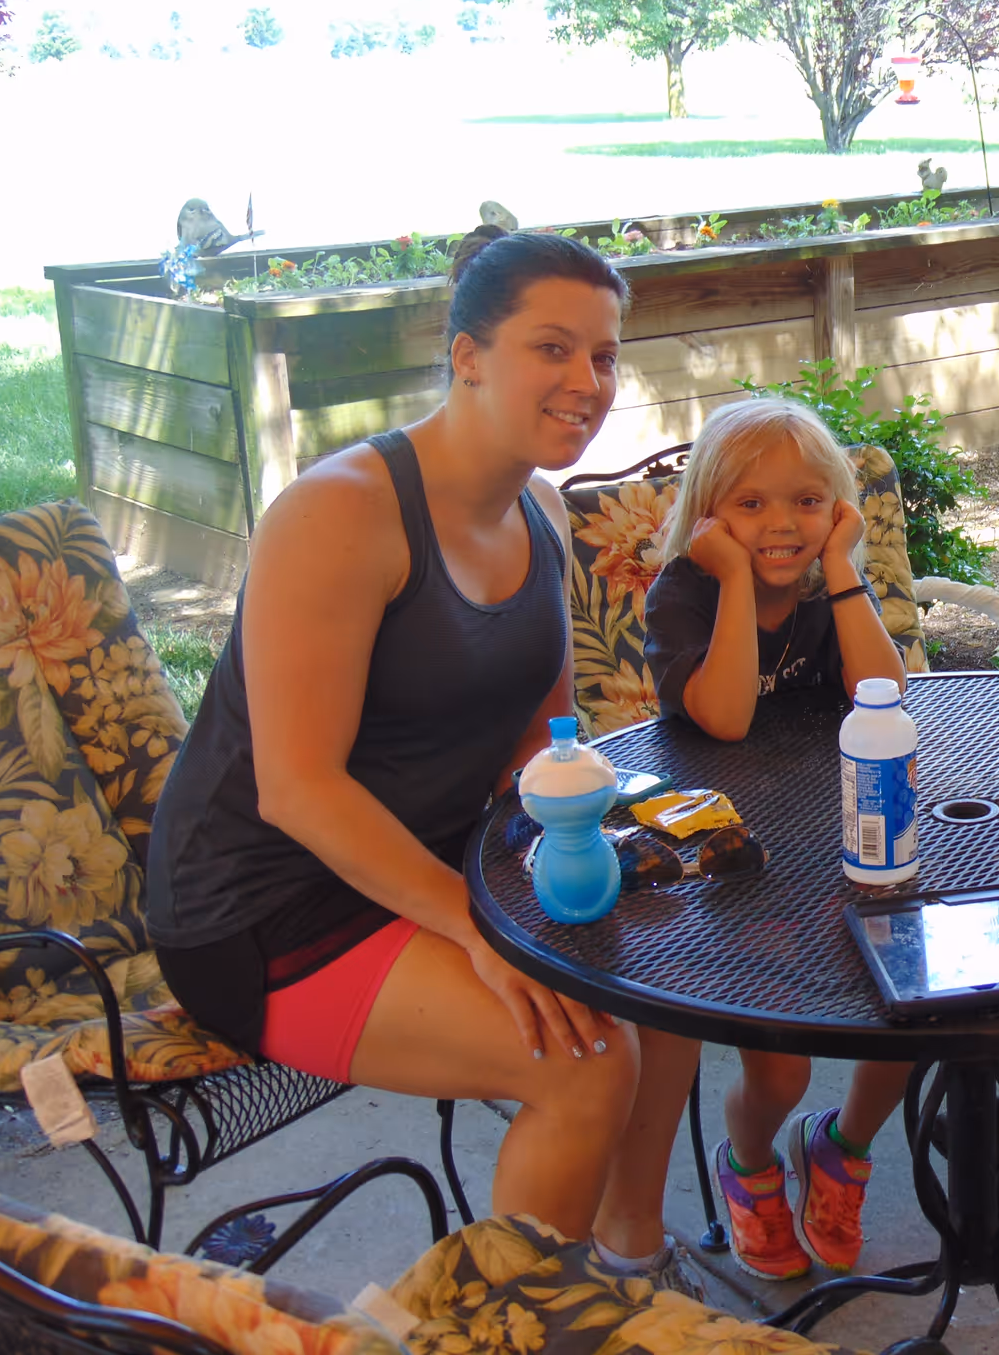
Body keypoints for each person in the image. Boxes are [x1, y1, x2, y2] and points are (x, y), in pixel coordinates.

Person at [144, 228, 704, 1291]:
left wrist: (611, 841)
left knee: (667, 982)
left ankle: (631, 1270)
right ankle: (508, 1320)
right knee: (585, 1064)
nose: (587, 382)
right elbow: (297, 789)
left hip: (429, 866)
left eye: (604, 355)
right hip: (264, 909)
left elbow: (543, 746)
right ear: (466, 355)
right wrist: (477, 928)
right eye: (553, 348)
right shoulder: (340, 513)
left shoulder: (538, 509)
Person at [630, 397, 914, 1283]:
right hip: (736, 860)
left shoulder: (830, 588)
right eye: (750, 505)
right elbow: (722, 717)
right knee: (781, 1072)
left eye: (805, 500)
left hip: (842, 830)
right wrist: (740, 583)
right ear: (711, 517)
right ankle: (749, 1162)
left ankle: (841, 1149)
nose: (781, 524)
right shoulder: (686, 594)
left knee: (912, 1019)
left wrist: (839, 567)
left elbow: (885, 694)